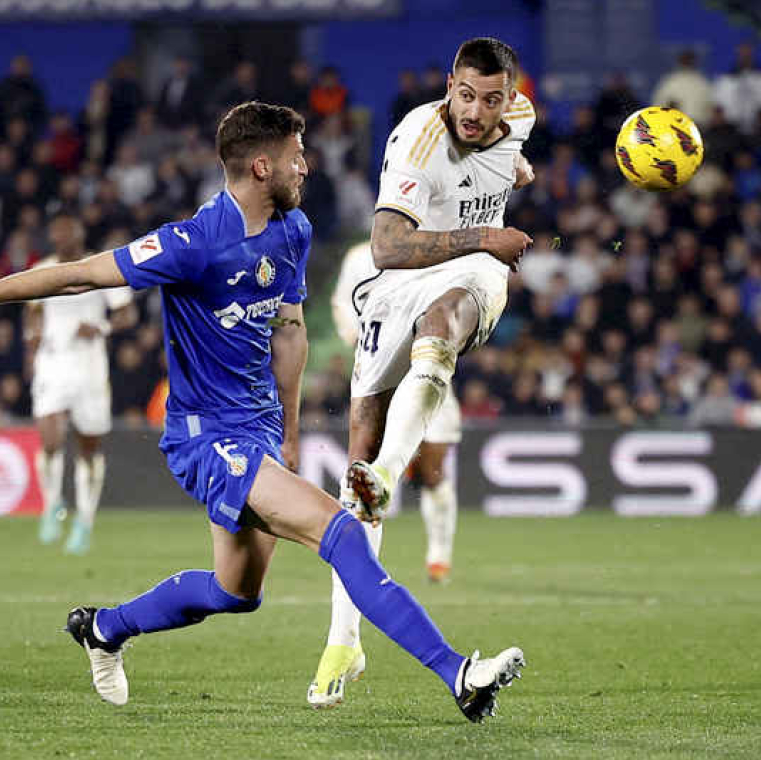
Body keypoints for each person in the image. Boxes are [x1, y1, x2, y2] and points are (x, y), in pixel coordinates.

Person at [0, 101, 525, 722]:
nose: (306, 166)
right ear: (262, 167)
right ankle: (459, 674)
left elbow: (288, 329)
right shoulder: (192, 243)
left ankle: (102, 628)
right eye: (295, 156)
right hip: (206, 437)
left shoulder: (294, 231)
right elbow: (80, 277)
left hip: (257, 428)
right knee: (340, 532)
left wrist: (286, 430)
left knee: (237, 592)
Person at [307, 37, 533, 709]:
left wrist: (513, 177)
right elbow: (385, 244)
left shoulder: (518, 120)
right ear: (448, 87)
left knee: (448, 319)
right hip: (396, 277)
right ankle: (343, 641)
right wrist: (486, 233)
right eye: (465, 95)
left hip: (467, 277)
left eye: (491, 99)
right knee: (356, 467)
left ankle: (387, 474)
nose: (476, 111)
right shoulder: (418, 140)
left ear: (510, 99)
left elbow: (506, 158)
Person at [330, 241, 462, 584]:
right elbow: (343, 299)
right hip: (377, 373)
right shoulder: (359, 257)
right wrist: (354, 333)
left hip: (425, 370)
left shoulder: (435, 248)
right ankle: (363, 562)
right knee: (366, 467)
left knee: (432, 471)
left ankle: (439, 553)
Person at [26, 213, 138, 554]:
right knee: (49, 438)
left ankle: (84, 522)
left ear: (79, 235)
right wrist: (31, 351)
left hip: (90, 366)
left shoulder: (101, 267)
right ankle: (51, 506)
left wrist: (101, 327)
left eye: (68, 233)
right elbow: (32, 315)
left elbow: (126, 314)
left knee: (88, 447)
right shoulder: (40, 272)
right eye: (57, 233)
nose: (62, 239)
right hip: (53, 364)